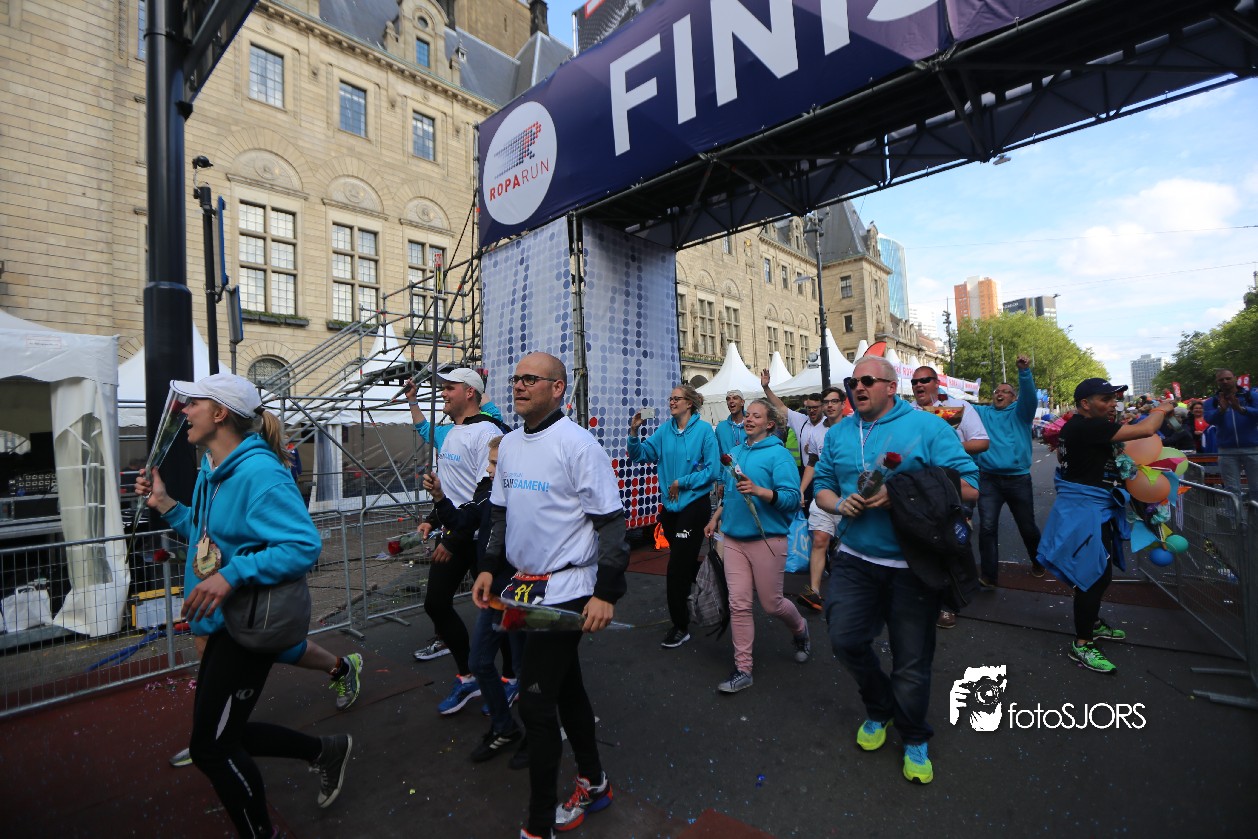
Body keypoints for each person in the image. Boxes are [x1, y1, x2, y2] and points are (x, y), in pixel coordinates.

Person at [135, 373, 352, 836]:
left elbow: (303, 545)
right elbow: (207, 536)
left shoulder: (260, 473)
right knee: (221, 736)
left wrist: (231, 576)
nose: (183, 411)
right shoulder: (211, 469)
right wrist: (166, 504)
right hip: (224, 623)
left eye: (193, 403)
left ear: (219, 414)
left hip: (248, 623)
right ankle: (325, 751)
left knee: (211, 748)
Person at [474, 352, 629, 839]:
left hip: (568, 588)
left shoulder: (578, 444)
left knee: (537, 705)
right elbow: (501, 513)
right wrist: (488, 567)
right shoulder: (509, 444)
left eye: (530, 379)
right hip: (523, 585)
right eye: (515, 379)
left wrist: (606, 593)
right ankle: (595, 781)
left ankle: (538, 826)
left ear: (558, 388)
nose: (518, 386)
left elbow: (612, 524)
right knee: (565, 687)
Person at [813, 357, 979, 785]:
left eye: (868, 380)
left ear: (891, 386)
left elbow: (970, 487)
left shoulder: (928, 427)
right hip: (855, 557)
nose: (858, 387)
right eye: (853, 381)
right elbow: (822, 485)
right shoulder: (839, 432)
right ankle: (881, 707)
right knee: (845, 640)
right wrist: (838, 503)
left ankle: (914, 735)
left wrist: (902, 491)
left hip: (912, 565)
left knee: (911, 661)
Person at [1037, 378, 1174, 674]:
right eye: (1105, 399)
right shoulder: (1089, 426)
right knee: (1092, 577)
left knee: (1101, 573)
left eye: (1114, 399)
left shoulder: (1078, 426)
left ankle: (1093, 623)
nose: (1113, 404)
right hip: (1085, 512)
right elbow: (1147, 430)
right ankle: (1082, 644)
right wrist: (1162, 408)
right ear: (1085, 404)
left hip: (1092, 509)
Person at [405, 369, 510, 716]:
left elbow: (484, 496)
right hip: (455, 529)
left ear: (470, 393)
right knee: (436, 604)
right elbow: (453, 488)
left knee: (497, 611)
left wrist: (452, 539)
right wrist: (433, 518)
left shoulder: (488, 432)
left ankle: (510, 678)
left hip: (481, 538)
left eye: (449, 388)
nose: (443, 393)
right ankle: (469, 676)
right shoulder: (451, 432)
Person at [426, 435, 527, 766]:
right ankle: (505, 727)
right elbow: (462, 520)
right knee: (480, 661)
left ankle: (539, 736)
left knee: (530, 670)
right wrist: (440, 498)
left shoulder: (528, 497)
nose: (488, 469)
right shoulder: (487, 494)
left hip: (523, 594)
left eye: (495, 463)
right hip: (496, 592)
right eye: (489, 462)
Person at [703, 398, 809, 694]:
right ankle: (743, 669)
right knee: (738, 604)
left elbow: (791, 499)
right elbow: (731, 494)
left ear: (770, 424)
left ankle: (800, 629)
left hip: (767, 539)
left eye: (756, 416)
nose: (749, 419)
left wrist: (760, 490)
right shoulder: (735, 453)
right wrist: (716, 518)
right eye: (747, 415)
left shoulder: (779, 455)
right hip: (733, 539)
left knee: (772, 604)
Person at [627, 383, 720, 649]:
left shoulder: (704, 431)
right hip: (670, 510)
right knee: (684, 561)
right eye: (670, 398)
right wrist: (634, 432)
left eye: (677, 398)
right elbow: (640, 456)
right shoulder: (664, 430)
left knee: (676, 568)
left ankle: (680, 626)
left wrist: (683, 482)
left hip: (694, 506)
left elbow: (713, 470)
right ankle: (716, 577)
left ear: (689, 403)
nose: (671, 402)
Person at [910, 366, 988, 628]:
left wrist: (945, 446)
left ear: (936, 382)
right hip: (920, 488)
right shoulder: (909, 411)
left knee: (950, 544)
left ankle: (949, 603)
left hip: (954, 487)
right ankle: (924, 597)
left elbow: (982, 442)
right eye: (914, 382)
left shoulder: (957, 407)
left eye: (924, 380)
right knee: (921, 543)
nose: (918, 385)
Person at [972, 355, 1044, 586]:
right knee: (987, 528)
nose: (999, 393)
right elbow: (958, 406)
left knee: (1027, 527)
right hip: (988, 479)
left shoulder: (1021, 413)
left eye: (1005, 391)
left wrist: (1024, 372)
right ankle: (989, 576)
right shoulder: (983, 413)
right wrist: (934, 389)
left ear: (1013, 398)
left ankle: (1038, 561)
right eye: (997, 391)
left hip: (1017, 480)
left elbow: (1030, 396)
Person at [795, 386, 846, 611]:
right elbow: (812, 463)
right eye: (827, 402)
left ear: (843, 404)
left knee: (846, 547)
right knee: (819, 539)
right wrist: (801, 489)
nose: (830, 405)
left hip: (848, 496)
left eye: (834, 401)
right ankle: (814, 591)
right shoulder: (816, 432)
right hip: (823, 494)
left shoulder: (854, 428)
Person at [1204, 368, 1258, 508]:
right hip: (1227, 450)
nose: (1225, 381)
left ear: (1235, 378)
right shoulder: (1212, 401)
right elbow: (1209, 419)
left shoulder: (1251, 396)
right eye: (1221, 379)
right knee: (1232, 490)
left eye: (1228, 378)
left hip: (1252, 447)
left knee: (1256, 487)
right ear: (1217, 382)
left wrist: (1242, 409)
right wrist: (1221, 410)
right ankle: (1234, 520)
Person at [714, 389, 748, 456]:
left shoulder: (751, 424)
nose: (731, 401)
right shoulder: (721, 427)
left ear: (742, 402)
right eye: (728, 399)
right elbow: (717, 452)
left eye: (735, 398)